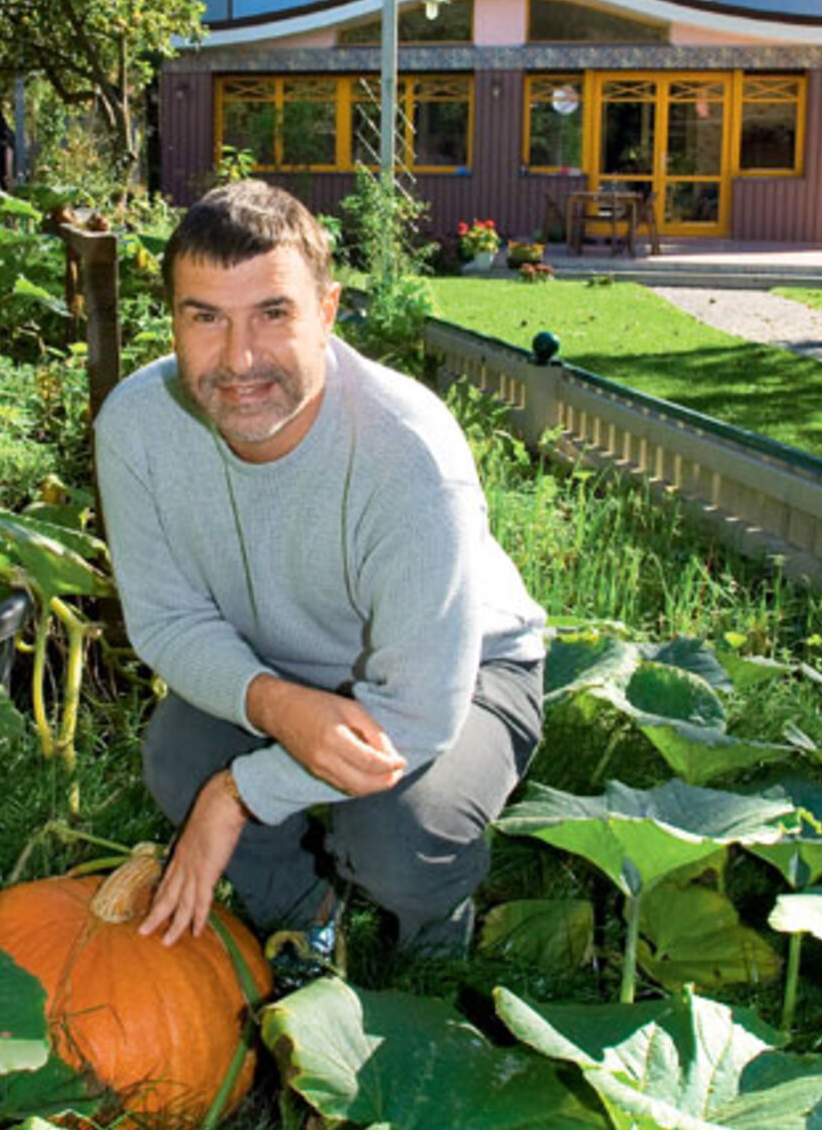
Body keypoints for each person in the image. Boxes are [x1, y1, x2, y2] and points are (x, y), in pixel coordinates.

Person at [94, 180, 546, 957]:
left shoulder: (409, 455)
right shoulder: (135, 427)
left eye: (273, 314)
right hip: (280, 670)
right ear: (172, 319)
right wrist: (275, 708)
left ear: (328, 311)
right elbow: (167, 621)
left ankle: (432, 948)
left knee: (398, 833)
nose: (239, 359)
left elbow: (419, 713)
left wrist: (239, 793)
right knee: (177, 757)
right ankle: (308, 921)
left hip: (461, 677)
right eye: (205, 317)